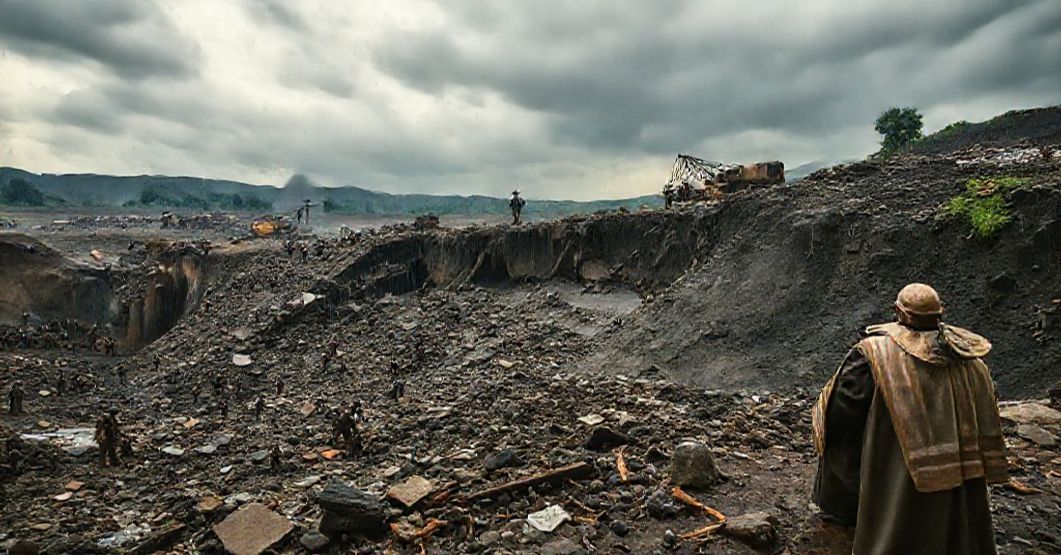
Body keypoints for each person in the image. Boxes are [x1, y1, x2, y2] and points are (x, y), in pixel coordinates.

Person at [811, 283, 1008, 554]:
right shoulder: (971, 361)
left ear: (898, 312)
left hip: (898, 474)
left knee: (893, 501)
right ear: (939, 314)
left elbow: (842, 414)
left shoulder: (875, 355)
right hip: (960, 477)